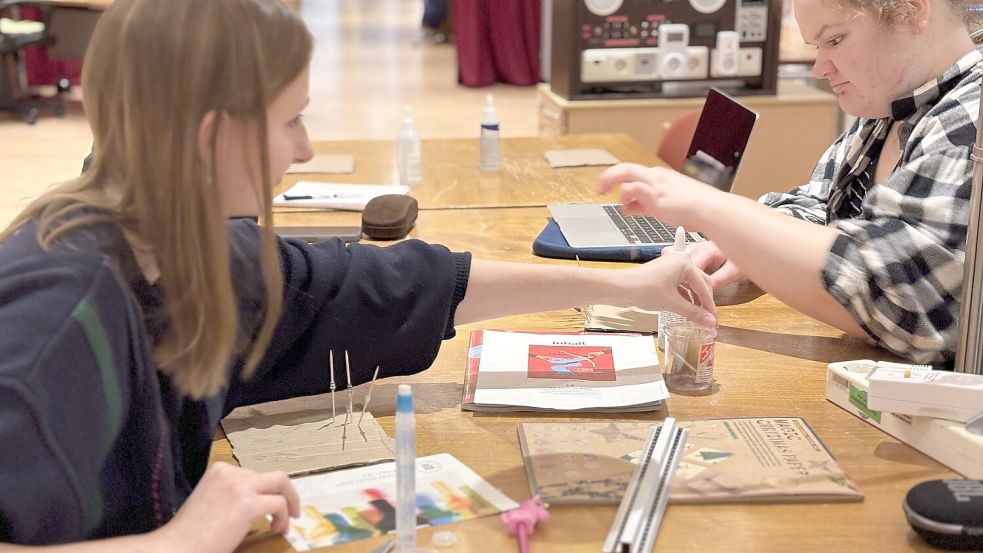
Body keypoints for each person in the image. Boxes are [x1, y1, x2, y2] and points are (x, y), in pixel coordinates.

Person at [0, 0, 716, 550]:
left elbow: (390, 285)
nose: (307, 150)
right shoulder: (54, 317)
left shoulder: (193, 252)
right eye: (291, 121)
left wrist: (626, 284)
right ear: (210, 135)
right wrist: (179, 539)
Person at [600, 0, 982, 367]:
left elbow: (902, 303)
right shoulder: (892, 105)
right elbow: (820, 207)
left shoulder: (968, 122)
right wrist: (748, 247)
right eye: (817, 46)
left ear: (911, 10)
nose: (819, 67)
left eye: (834, 40)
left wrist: (715, 210)